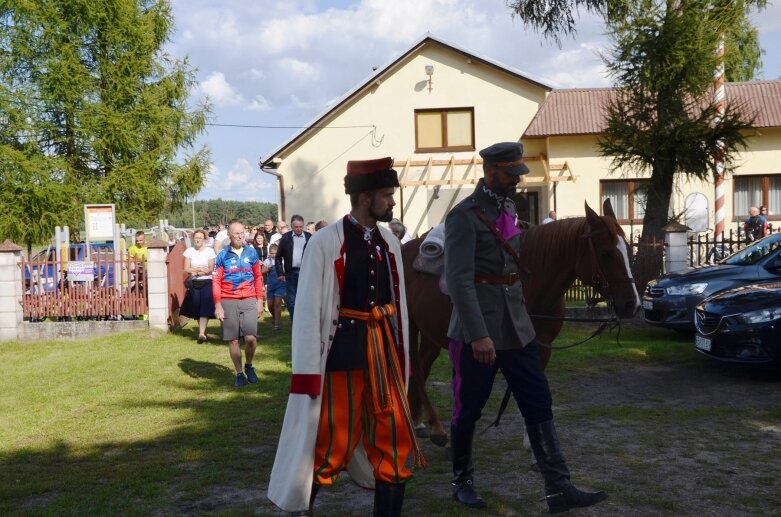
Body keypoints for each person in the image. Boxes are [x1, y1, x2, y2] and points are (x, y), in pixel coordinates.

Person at [444, 142, 607, 514]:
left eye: (519, 174)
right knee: (468, 408)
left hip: (517, 328)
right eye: (509, 174)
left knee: (537, 400)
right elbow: (459, 281)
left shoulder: (510, 208)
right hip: (478, 330)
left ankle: (558, 485)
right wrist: (478, 333)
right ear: (489, 172)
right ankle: (462, 481)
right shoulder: (463, 216)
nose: (516, 181)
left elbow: (512, 270)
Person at [268, 157, 424, 517]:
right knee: (332, 443)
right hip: (343, 357)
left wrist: (403, 360)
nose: (392, 203)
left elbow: (397, 304)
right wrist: (306, 372)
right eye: (387, 195)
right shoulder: (325, 242)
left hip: (384, 357)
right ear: (365, 197)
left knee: (396, 443)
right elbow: (307, 311)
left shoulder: (389, 242)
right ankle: (303, 509)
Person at [213, 219, 265, 388]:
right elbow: (216, 282)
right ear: (229, 235)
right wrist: (218, 304)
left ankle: (249, 365)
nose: (240, 236)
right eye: (236, 233)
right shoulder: (222, 256)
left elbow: (258, 277)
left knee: (250, 338)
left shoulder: (252, 253)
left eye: (242, 233)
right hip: (228, 300)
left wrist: (259, 300)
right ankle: (239, 373)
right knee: (234, 340)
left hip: (249, 298)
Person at [179, 229, 217, 343]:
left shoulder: (209, 251)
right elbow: (186, 269)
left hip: (206, 281)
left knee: (205, 307)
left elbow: (210, 269)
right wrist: (199, 269)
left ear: (204, 239)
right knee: (196, 307)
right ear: (193, 239)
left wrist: (199, 271)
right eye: (196, 238)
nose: (198, 240)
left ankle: (201, 333)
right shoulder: (189, 251)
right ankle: (203, 332)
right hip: (194, 282)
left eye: (200, 238)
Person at [275, 214, 311, 321]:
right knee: (291, 301)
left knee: (306, 299)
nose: (299, 229)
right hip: (291, 273)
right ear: (292, 226)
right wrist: (280, 273)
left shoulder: (309, 237)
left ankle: (305, 321)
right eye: (296, 227)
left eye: (301, 227)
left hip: (306, 273)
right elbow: (278, 257)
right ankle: (295, 322)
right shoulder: (285, 238)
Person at [263, 243, 285, 331]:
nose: (274, 255)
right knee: (270, 305)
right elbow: (262, 271)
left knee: (277, 304)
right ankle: (274, 317)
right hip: (271, 285)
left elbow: (286, 271)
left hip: (280, 284)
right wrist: (267, 268)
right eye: (272, 253)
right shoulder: (267, 261)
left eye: (275, 253)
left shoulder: (282, 261)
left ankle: (277, 323)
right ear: (269, 253)